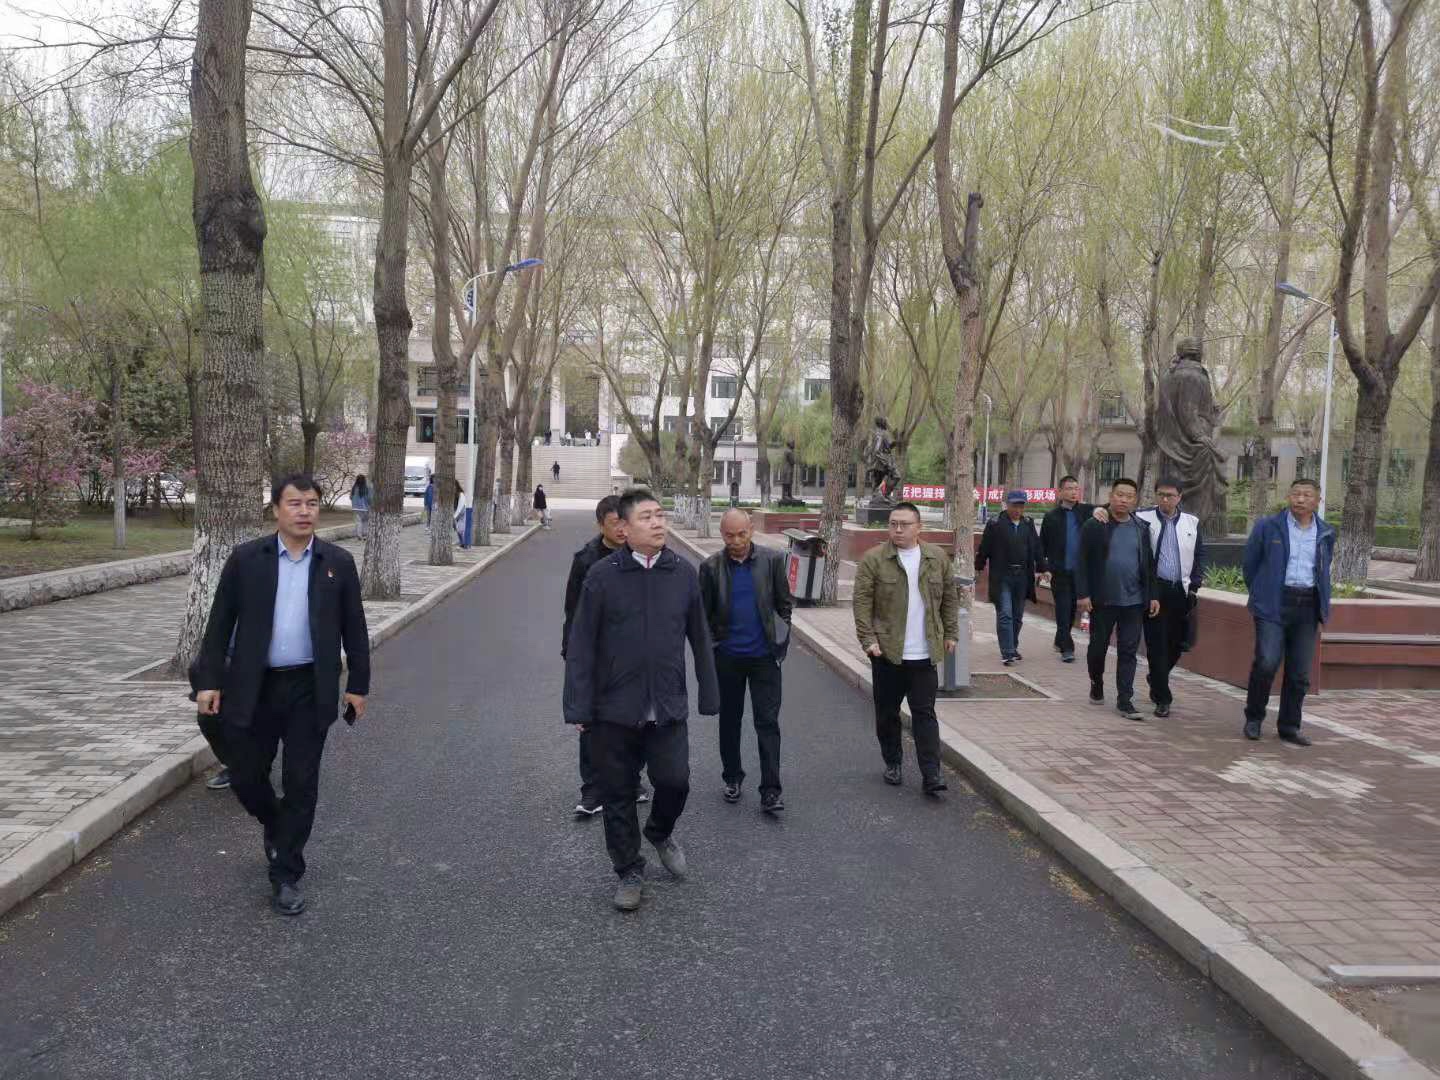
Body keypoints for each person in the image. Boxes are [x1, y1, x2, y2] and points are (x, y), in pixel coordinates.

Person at [190, 474, 370, 916]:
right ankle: (276, 825)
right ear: (275, 510)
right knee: (247, 775)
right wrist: (209, 681)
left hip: (310, 687)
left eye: (311, 503)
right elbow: (219, 624)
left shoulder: (337, 563)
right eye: (294, 503)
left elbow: (355, 628)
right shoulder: (247, 560)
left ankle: (286, 873)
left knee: (301, 783)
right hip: (254, 686)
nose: (304, 511)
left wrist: (358, 686)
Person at [563, 488, 720, 912]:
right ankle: (629, 870)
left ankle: (659, 831)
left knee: (675, 781)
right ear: (625, 527)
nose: (657, 523)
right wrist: (578, 706)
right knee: (617, 793)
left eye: (660, 515)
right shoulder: (602, 576)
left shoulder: (683, 573)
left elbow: (700, 636)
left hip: (666, 705)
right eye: (646, 517)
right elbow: (581, 644)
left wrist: (709, 692)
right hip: (614, 708)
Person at [852, 502, 960, 796]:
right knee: (887, 714)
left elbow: (950, 598)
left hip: (924, 654)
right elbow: (862, 603)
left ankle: (931, 774)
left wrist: (951, 633)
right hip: (887, 653)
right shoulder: (874, 559)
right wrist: (868, 640)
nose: (898, 529)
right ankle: (893, 762)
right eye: (893, 524)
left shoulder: (936, 558)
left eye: (904, 524)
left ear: (919, 527)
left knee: (925, 714)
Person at [699, 508, 794, 813]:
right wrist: (713, 648)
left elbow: (784, 605)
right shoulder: (710, 567)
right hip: (727, 659)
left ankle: (771, 790)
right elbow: (703, 615)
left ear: (751, 530)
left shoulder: (772, 560)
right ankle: (732, 777)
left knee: (767, 723)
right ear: (722, 534)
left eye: (742, 534)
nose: (737, 541)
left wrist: (780, 640)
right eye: (730, 535)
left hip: (765, 658)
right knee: (730, 721)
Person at [562, 496, 651, 817]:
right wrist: (572, 654)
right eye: (616, 524)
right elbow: (573, 611)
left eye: (626, 523)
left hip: (634, 655)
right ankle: (592, 790)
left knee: (637, 720)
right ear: (601, 525)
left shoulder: (643, 555)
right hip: (597, 656)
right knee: (591, 724)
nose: (623, 530)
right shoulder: (585, 561)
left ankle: (631, 780)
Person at [1240, 478, 1337, 745]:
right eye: (1296, 494)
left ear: (1318, 501)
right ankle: (1254, 718)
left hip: (1307, 606)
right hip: (1273, 603)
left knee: (1300, 673)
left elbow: (1323, 570)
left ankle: (1289, 726)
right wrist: (1261, 593)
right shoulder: (1268, 527)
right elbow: (1250, 565)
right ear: (1288, 497)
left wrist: (1322, 606)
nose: (1300, 499)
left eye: (1307, 495)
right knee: (1267, 662)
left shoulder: (1326, 532)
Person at [1075, 478, 1159, 722]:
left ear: (1135, 500)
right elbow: (1081, 560)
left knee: (1129, 651)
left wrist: (1153, 595)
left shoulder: (1141, 527)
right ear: (1111, 496)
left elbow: (1149, 564)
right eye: (1119, 494)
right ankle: (1096, 682)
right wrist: (1083, 594)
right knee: (1097, 648)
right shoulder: (1096, 524)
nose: (1123, 500)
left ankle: (1125, 699)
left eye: (1129, 496)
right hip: (1103, 600)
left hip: (1134, 601)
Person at [1135, 478, 1208, 717]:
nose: (1165, 499)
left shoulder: (1191, 522)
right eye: (1161, 495)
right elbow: (1116, 512)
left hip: (1181, 591)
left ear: (1179, 497)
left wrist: (1195, 585)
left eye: (1170, 495)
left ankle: (1157, 676)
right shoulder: (1142, 518)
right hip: (1154, 591)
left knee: (1177, 644)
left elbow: (1199, 555)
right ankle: (1163, 698)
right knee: (1157, 645)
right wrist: (1101, 511)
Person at [975, 490, 1045, 666]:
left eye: (1021, 506)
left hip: (1022, 576)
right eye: (1014, 505)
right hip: (1002, 576)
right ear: (1007, 505)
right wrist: (979, 567)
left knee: (1017, 616)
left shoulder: (1028, 524)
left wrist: (1043, 568)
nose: (1018, 510)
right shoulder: (995, 524)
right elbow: (985, 548)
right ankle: (1007, 652)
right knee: (1005, 614)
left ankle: (1012, 646)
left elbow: (1036, 547)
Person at [1039, 476, 1098, 663]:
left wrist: (1100, 511)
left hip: (1081, 574)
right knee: (1063, 610)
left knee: (1072, 610)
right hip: (1060, 572)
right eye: (1069, 488)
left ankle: (1060, 639)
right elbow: (1042, 546)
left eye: (1076, 488)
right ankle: (1067, 648)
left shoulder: (1087, 512)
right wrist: (1044, 568)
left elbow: (1105, 509)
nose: (1073, 492)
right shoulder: (1051, 517)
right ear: (1060, 492)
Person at [349, 474, 370, 538]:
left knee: (358, 522)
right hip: (364, 508)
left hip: (355, 508)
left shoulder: (354, 488)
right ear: (364, 480)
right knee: (365, 522)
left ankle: (359, 535)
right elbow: (368, 499)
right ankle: (365, 535)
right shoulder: (366, 488)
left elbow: (350, 497)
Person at [453, 481, 471, 546]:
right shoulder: (454, 495)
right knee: (457, 529)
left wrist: (454, 516)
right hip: (456, 513)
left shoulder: (461, 494)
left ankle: (464, 542)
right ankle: (461, 542)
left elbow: (460, 507)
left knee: (460, 529)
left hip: (462, 512)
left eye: (454, 486)